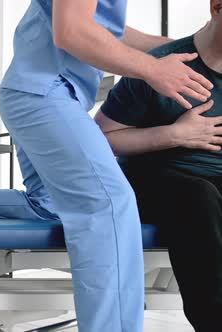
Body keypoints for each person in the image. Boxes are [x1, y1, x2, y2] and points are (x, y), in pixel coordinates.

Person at [0, 1, 214, 331]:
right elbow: (73, 31)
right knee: (108, 204)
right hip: (44, 93)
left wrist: (185, 46)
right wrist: (154, 69)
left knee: (51, 205)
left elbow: (107, 28)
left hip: (47, 93)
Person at [93, 2, 222, 330]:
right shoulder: (162, 66)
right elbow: (101, 138)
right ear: (217, 7)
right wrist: (176, 134)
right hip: (160, 178)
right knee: (199, 196)